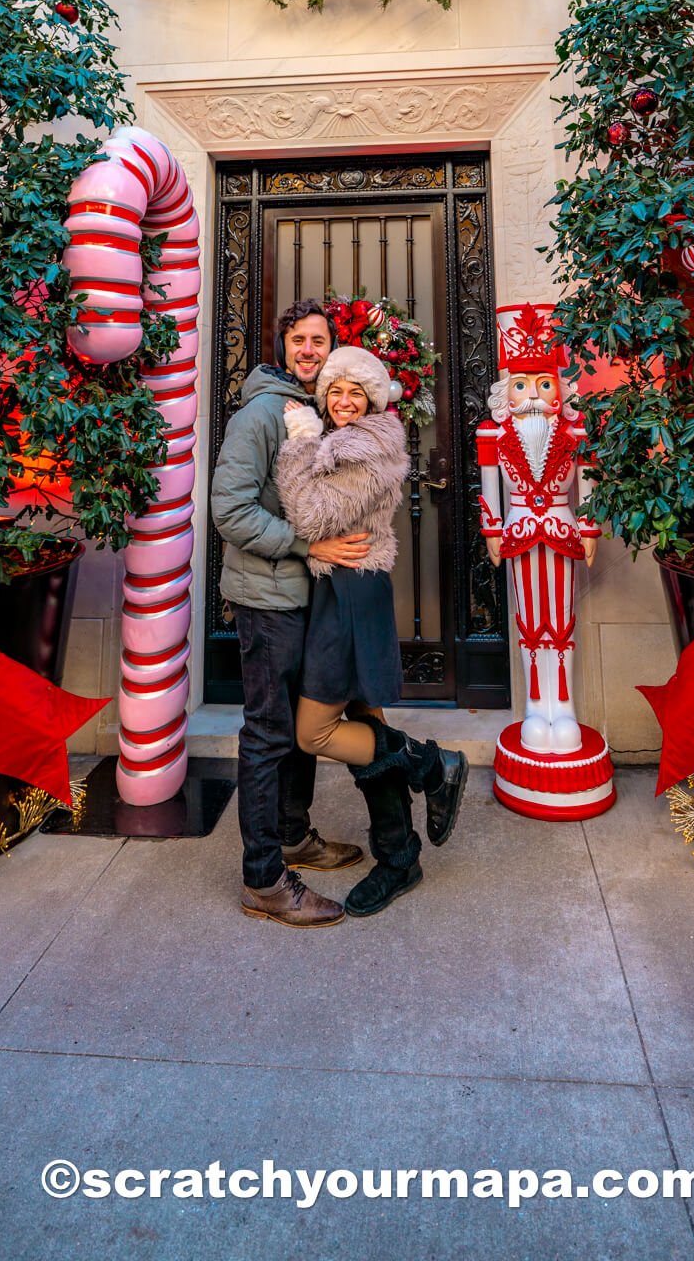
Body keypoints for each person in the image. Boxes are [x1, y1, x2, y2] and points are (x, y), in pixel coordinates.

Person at [275, 342, 468, 917]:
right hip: (343, 586)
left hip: (353, 590)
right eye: (335, 390)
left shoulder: (369, 446)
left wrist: (301, 444)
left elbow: (309, 515)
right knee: (364, 724)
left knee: (315, 733)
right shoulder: (345, 442)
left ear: (374, 398)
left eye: (356, 391)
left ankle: (431, 763)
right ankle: (399, 857)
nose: (343, 401)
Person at [211, 297, 371, 928]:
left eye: (319, 340)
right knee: (269, 735)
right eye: (299, 340)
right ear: (282, 349)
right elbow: (231, 510)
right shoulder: (261, 414)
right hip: (267, 600)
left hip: (306, 597)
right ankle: (264, 879)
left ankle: (293, 836)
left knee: (303, 725)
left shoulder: (317, 411)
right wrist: (309, 546)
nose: (309, 349)